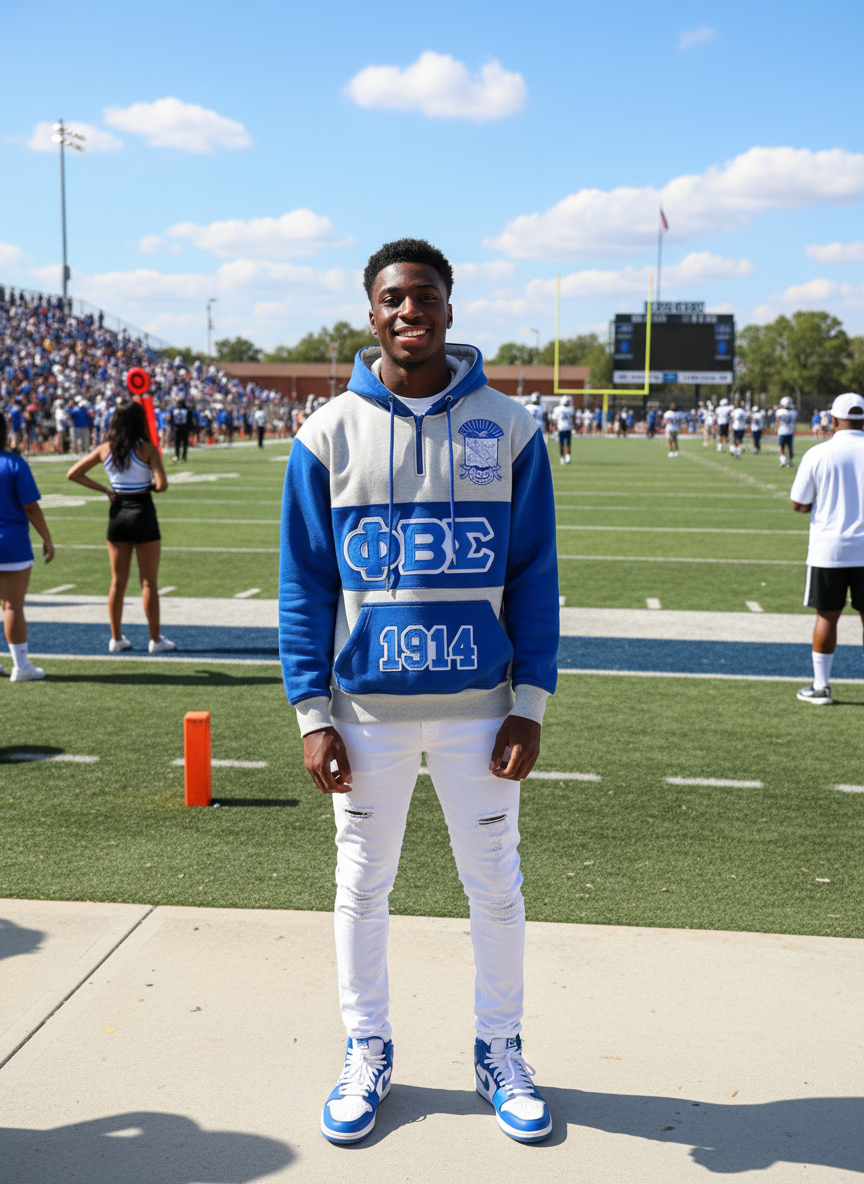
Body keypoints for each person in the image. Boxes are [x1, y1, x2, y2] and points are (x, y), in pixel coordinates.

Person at [279, 238, 558, 1147]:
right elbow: (305, 586)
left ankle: (499, 1047)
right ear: (372, 313)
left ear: (448, 306)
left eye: (425, 295)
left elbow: (535, 575)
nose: (410, 311)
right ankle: (367, 1047)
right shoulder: (326, 434)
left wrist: (530, 702)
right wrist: (312, 714)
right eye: (394, 298)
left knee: (497, 885)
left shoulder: (509, 427)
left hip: (481, 708)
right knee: (362, 887)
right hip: (367, 714)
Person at [66, 401, 175, 655]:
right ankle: (155, 640)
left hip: (118, 513)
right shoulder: (148, 449)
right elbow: (162, 485)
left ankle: (116, 638)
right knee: (148, 582)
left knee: (117, 581)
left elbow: (73, 473)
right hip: (143, 512)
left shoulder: (105, 448)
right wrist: (147, 485)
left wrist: (105, 489)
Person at [790, 393, 864, 705]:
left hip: (830, 549)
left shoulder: (818, 453)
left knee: (827, 617)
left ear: (832, 420)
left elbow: (799, 504)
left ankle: (821, 687)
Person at [0, 411, 54, 680]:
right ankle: (21, 666)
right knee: (12, 606)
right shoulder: (14, 463)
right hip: (12, 541)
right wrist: (47, 537)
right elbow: (30, 506)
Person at [777, 395, 798, 468]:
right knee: (790, 447)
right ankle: (789, 461)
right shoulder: (794, 412)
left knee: (781, 446)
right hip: (790, 431)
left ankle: (783, 460)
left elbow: (778, 421)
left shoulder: (779, 411)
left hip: (782, 431)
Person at [556, 395, 574, 463]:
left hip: (563, 427)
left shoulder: (558, 409)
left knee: (564, 443)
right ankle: (564, 456)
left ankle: (565, 456)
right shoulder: (570, 409)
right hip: (564, 428)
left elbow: (554, 419)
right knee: (565, 443)